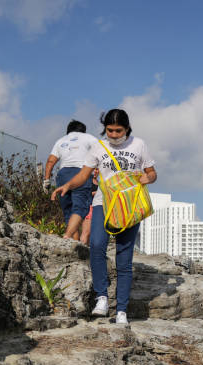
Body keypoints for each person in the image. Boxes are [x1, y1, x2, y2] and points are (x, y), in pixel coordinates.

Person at [51, 109, 157, 325]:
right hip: (103, 203)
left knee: (124, 257)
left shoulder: (139, 145)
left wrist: (149, 178)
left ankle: (121, 310)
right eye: (110, 130)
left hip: (129, 205)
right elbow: (84, 175)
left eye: (119, 131)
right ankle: (101, 298)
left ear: (127, 129)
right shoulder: (98, 146)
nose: (114, 135)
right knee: (97, 245)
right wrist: (67, 185)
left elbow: (152, 172)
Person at [44, 120, 98, 240]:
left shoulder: (61, 140)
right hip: (81, 173)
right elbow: (101, 152)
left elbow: (50, 161)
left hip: (63, 175)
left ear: (68, 131)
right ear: (83, 130)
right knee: (79, 208)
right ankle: (67, 237)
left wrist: (46, 180)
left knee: (68, 212)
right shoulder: (88, 137)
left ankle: (73, 245)